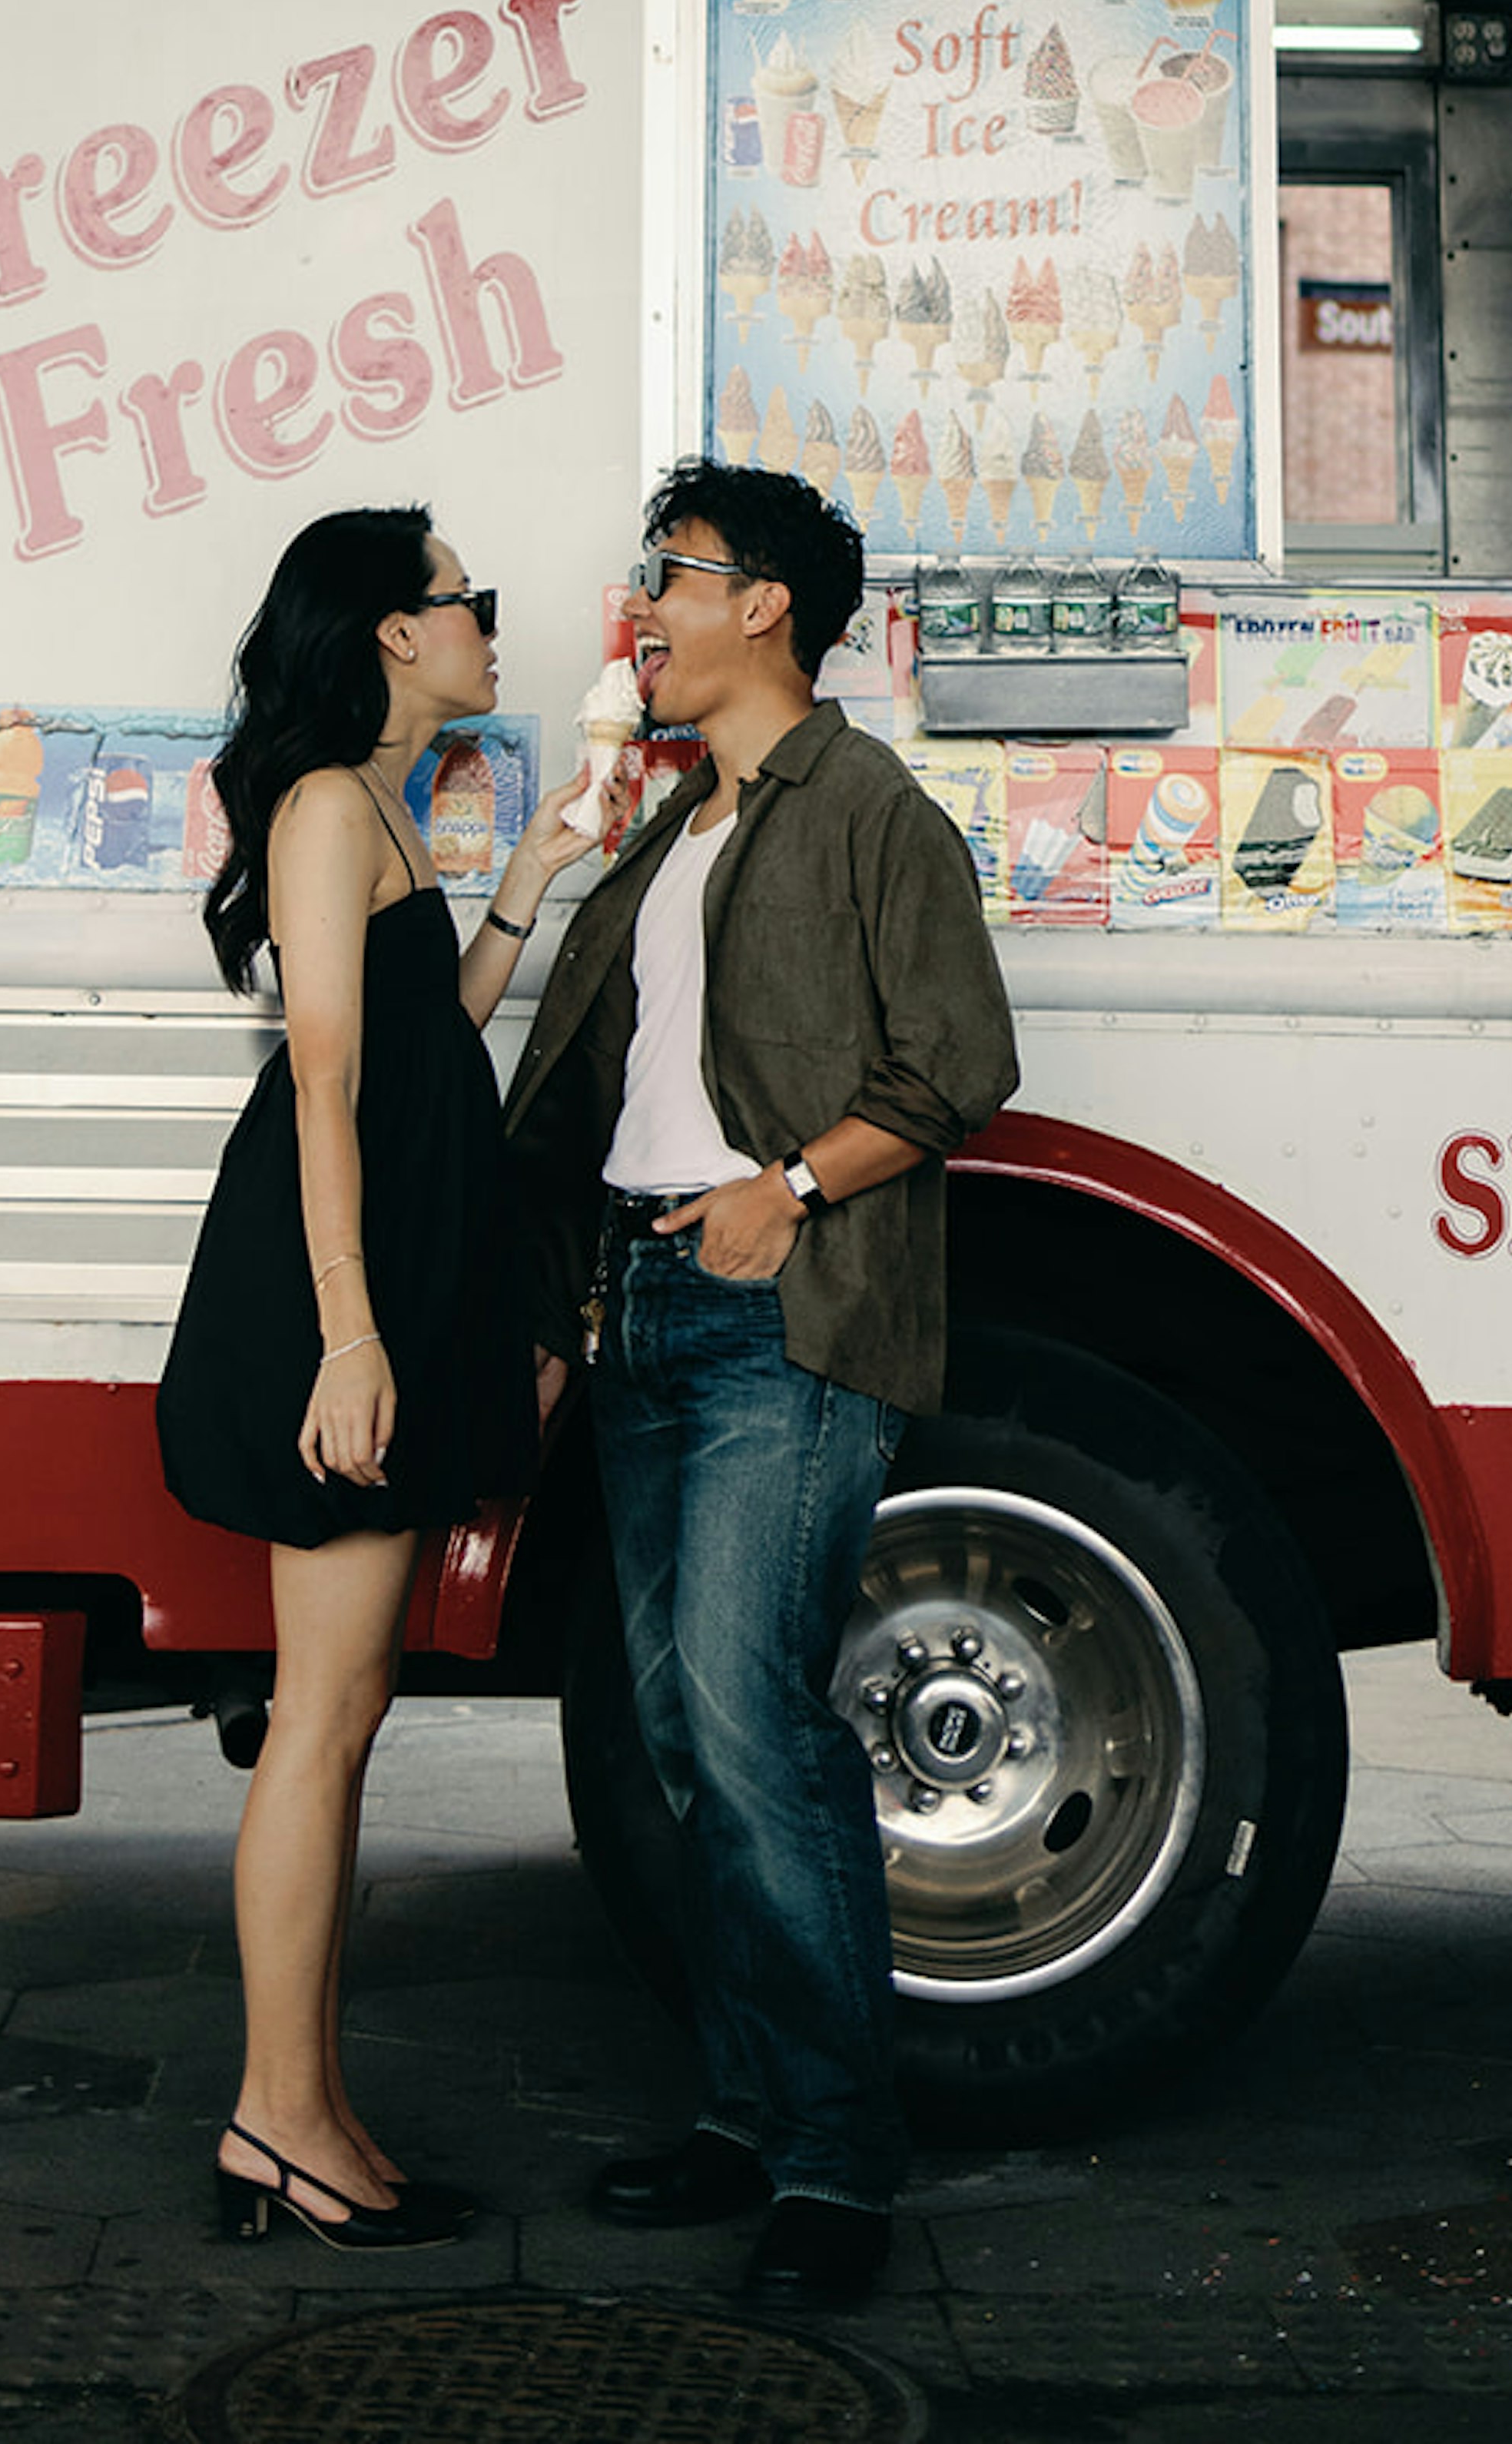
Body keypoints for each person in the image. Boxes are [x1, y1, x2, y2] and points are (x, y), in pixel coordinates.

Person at [503, 461, 1018, 2311]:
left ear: (768, 604)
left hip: (781, 1320)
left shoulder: (867, 805)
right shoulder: (677, 823)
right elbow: (606, 1076)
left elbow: (960, 1060)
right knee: (677, 1740)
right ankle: (749, 2107)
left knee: (755, 1732)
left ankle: (831, 2159)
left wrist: (784, 1191)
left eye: (672, 575)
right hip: (644, 1313)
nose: (640, 606)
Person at [158, 506, 592, 2253]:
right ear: (394, 633)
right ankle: (276, 2118)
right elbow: (325, 1080)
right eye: (465, 599)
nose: (491, 620)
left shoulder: (381, 807)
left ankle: (312, 2107)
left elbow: (427, 1043)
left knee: (344, 1725)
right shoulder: (329, 806)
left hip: (392, 1280)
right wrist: (351, 1334)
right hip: (336, 1297)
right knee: (322, 1726)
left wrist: (529, 881)